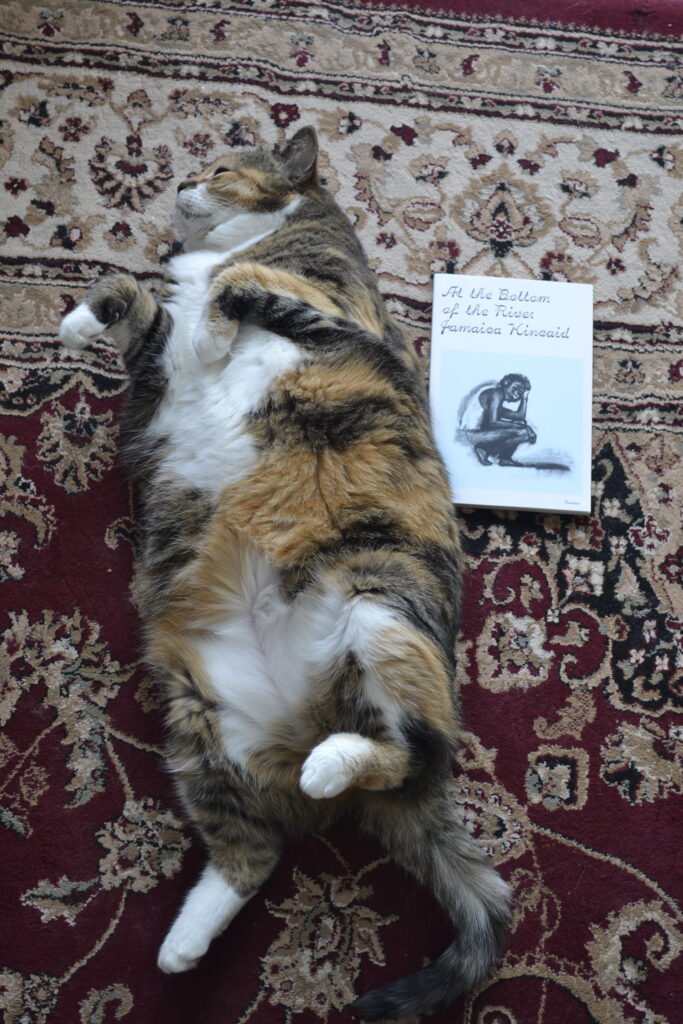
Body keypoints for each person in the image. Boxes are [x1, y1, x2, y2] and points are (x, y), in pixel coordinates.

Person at [466, 373, 536, 466]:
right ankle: (485, 451)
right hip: (472, 434)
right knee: (523, 431)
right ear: (506, 383)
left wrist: (524, 398)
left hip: (480, 434)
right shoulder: (495, 394)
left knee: (521, 424)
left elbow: (520, 416)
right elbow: (493, 422)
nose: (517, 393)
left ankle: (503, 458)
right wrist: (525, 427)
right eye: (516, 388)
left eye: (520, 392)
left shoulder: (497, 400)